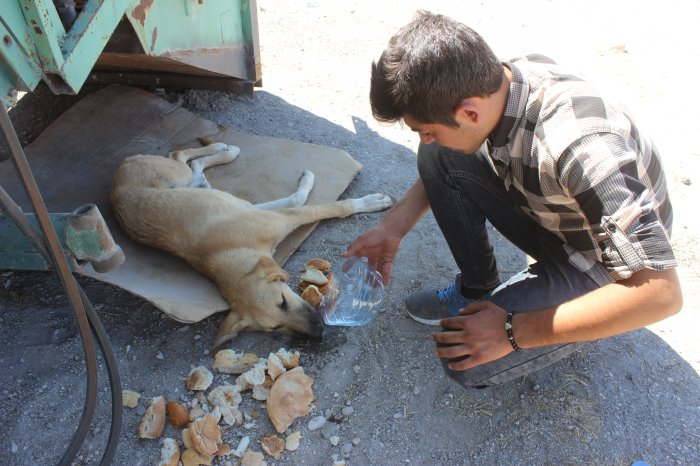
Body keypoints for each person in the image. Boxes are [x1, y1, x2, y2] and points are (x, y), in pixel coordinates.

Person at [343, 11, 683, 388]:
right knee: (441, 154)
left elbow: (660, 292)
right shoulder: (502, 81)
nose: (424, 137)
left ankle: (562, 309)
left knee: (466, 359)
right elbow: (447, 151)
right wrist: (393, 227)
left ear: (468, 111)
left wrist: (511, 331)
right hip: (556, 216)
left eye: (426, 130)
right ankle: (478, 288)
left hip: (603, 259)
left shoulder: (585, 149)